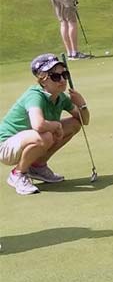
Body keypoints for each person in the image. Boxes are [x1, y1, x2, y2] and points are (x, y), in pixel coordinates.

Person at [0, 53, 89, 195]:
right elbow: (38, 125)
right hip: (6, 146)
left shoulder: (60, 96)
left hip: (28, 141)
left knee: (73, 124)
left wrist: (82, 104)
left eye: (64, 74)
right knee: (46, 136)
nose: (62, 80)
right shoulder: (35, 95)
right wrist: (57, 126)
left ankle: (38, 166)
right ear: (43, 80)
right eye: (55, 76)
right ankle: (17, 174)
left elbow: (84, 121)